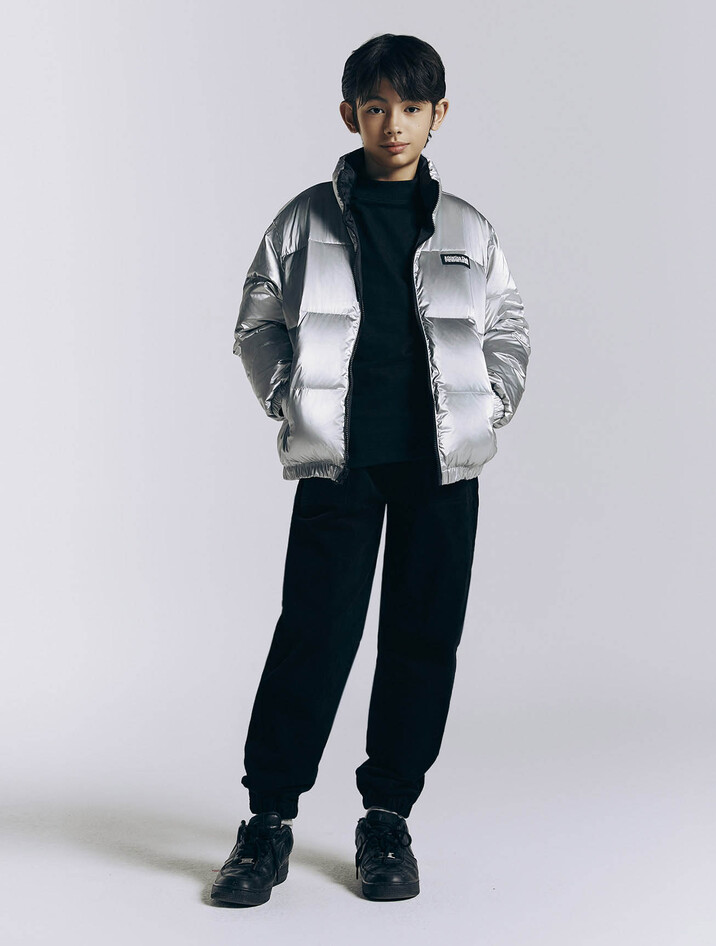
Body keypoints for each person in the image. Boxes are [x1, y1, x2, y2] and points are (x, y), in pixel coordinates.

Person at [211, 32, 530, 907]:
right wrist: (296, 404)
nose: (395, 124)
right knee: (314, 637)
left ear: (438, 115)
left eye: (412, 107)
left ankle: (387, 818)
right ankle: (268, 820)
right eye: (378, 107)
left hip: (441, 472)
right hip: (341, 467)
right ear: (350, 114)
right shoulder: (305, 219)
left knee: (423, 641)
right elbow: (257, 323)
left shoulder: (466, 227)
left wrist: (486, 407)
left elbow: (507, 329)